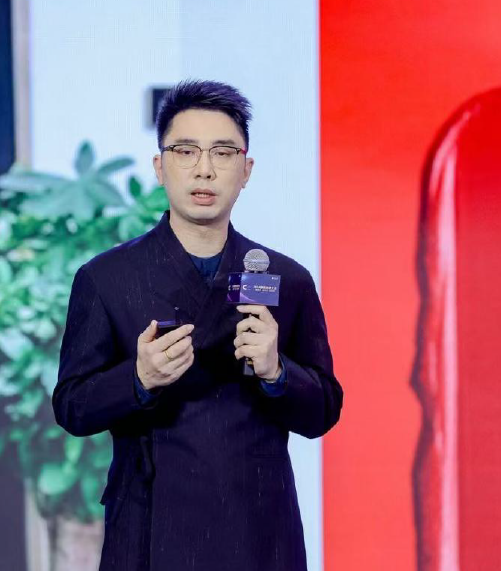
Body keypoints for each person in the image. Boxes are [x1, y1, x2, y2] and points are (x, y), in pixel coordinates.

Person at [53, 79, 343, 571]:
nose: (204, 169)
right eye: (186, 151)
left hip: (258, 530)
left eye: (223, 153)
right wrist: (139, 378)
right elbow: (72, 407)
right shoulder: (107, 278)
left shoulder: (285, 278)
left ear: (246, 170)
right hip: (149, 528)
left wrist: (277, 372)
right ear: (159, 166)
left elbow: (323, 411)